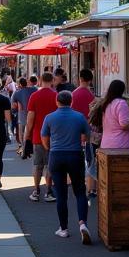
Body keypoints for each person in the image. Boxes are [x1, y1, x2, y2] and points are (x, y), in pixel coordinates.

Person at [41, 90, 92, 243]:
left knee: (61, 194)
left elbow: (45, 139)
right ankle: (82, 223)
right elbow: (86, 136)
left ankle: (63, 228)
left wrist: (51, 149)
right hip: (75, 154)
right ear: (72, 102)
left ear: (57, 101)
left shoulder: (49, 117)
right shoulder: (79, 117)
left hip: (56, 155)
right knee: (80, 192)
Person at [25, 71, 58, 202]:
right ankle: (49, 191)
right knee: (50, 165)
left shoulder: (34, 96)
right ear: (52, 81)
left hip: (38, 135)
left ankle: (36, 190)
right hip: (54, 136)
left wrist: (27, 134)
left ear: (40, 80)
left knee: (37, 165)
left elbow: (30, 118)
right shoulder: (56, 96)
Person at [71, 68, 97, 197]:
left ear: (79, 78)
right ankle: (91, 188)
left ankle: (76, 182)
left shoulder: (73, 94)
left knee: (77, 158)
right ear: (90, 80)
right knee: (90, 160)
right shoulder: (92, 97)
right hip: (89, 132)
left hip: (75, 131)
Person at [94, 78, 129, 151]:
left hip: (106, 144)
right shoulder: (121, 103)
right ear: (122, 91)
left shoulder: (106, 103)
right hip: (120, 146)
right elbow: (124, 125)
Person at [10, 76, 33, 150]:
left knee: (21, 133)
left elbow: (13, 106)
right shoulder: (34, 90)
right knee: (31, 131)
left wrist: (14, 111)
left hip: (22, 115)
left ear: (19, 84)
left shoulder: (16, 93)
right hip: (33, 115)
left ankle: (23, 147)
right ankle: (31, 147)